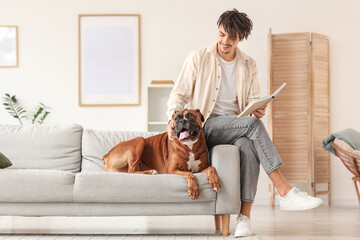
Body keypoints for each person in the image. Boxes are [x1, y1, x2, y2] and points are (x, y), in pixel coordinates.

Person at [166, 9, 323, 237]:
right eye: (221, 35)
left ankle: (244, 221)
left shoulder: (249, 64)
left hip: (236, 125)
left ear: (241, 38)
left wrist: (258, 108)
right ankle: (285, 190)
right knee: (252, 126)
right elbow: (178, 95)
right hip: (206, 126)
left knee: (248, 145)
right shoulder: (199, 57)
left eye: (231, 38)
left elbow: (252, 100)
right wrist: (172, 119)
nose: (224, 42)